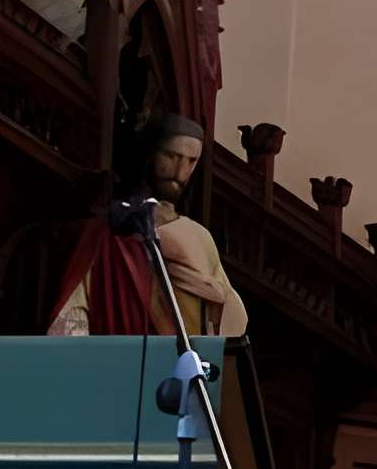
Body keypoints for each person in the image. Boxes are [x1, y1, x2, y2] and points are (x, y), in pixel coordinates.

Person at [49, 110, 248, 339]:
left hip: (183, 367)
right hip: (120, 364)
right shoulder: (110, 231)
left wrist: (218, 299)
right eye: (171, 156)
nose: (180, 171)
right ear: (151, 154)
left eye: (191, 161)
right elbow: (73, 316)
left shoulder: (201, 236)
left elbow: (234, 323)